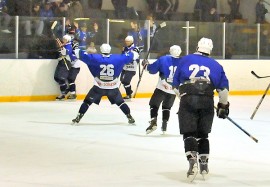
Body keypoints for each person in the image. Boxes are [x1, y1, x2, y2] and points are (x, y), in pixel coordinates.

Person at [172, 37, 229, 181]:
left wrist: (184, 96)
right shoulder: (216, 65)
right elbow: (223, 91)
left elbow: (175, 85)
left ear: (197, 47)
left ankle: (192, 162)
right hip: (207, 101)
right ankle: (204, 164)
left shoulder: (185, 60)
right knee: (203, 134)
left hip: (188, 99)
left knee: (189, 133)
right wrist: (223, 106)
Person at [71, 43, 140, 125]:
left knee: (87, 102)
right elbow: (134, 55)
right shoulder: (118, 58)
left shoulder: (94, 58)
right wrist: (136, 51)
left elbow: (78, 53)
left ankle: (78, 117)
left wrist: (75, 47)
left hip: (98, 88)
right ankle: (129, 117)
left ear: (101, 49)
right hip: (113, 88)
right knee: (121, 103)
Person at [143, 45, 182, 134]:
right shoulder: (182, 62)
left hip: (161, 88)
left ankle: (153, 121)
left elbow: (152, 70)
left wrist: (145, 65)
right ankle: (164, 125)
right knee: (167, 107)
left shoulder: (163, 59)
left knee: (154, 104)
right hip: (174, 90)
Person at [54, 34, 75, 100]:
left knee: (61, 78)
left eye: (64, 39)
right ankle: (64, 90)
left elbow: (66, 53)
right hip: (61, 62)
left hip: (65, 63)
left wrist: (62, 48)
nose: (63, 40)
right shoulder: (65, 45)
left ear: (67, 40)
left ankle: (63, 94)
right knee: (56, 77)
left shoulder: (68, 46)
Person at [120, 36, 139, 100]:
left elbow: (135, 57)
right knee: (122, 80)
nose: (126, 43)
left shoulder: (135, 48)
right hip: (125, 68)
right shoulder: (124, 48)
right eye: (126, 41)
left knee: (126, 81)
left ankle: (129, 93)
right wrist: (123, 52)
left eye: (128, 41)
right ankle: (129, 93)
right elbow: (122, 57)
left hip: (132, 68)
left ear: (131, 41)